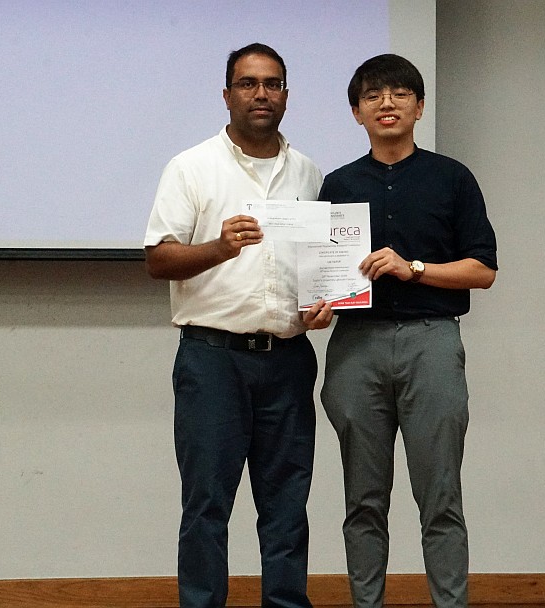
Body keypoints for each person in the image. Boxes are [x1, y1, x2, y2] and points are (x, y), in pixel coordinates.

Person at [143, 43, 333, 608]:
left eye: (272, 84)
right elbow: (158, 258)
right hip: (213, 360)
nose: (261, 94)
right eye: (248, 84)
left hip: (289, 360)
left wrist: (323, 305)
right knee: (207, 503)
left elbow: (318, 265)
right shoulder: (191, 167)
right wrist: (220, 248)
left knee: (287, 504)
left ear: (286, 96)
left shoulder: (309, 173)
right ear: (227, 95)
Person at [317, 54, 498, 608]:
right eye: (373, 96)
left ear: (419, 107)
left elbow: (483, 270)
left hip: (431, 339)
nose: (387, 104)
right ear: (357, 113)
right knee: (363, 499)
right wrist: (315, 308)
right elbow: (323, 275)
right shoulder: (338, 185)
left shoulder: (452, 178)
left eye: (399, 94)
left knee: (440, 496)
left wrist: (413, 268)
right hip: (356, 345)